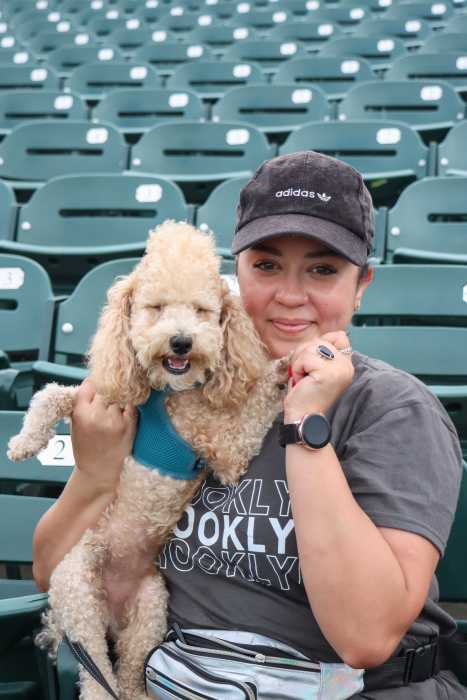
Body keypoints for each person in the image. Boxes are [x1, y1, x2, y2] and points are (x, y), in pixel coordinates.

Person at [33, 151, 466, 698]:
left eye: (323, 270)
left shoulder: (393, 407)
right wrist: (95, 476)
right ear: (233, 276)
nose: (291, 294)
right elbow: (51, 572)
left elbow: (365, 637)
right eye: (266, 266)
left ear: (361, 285)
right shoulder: (170, 390)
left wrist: (305, 425)